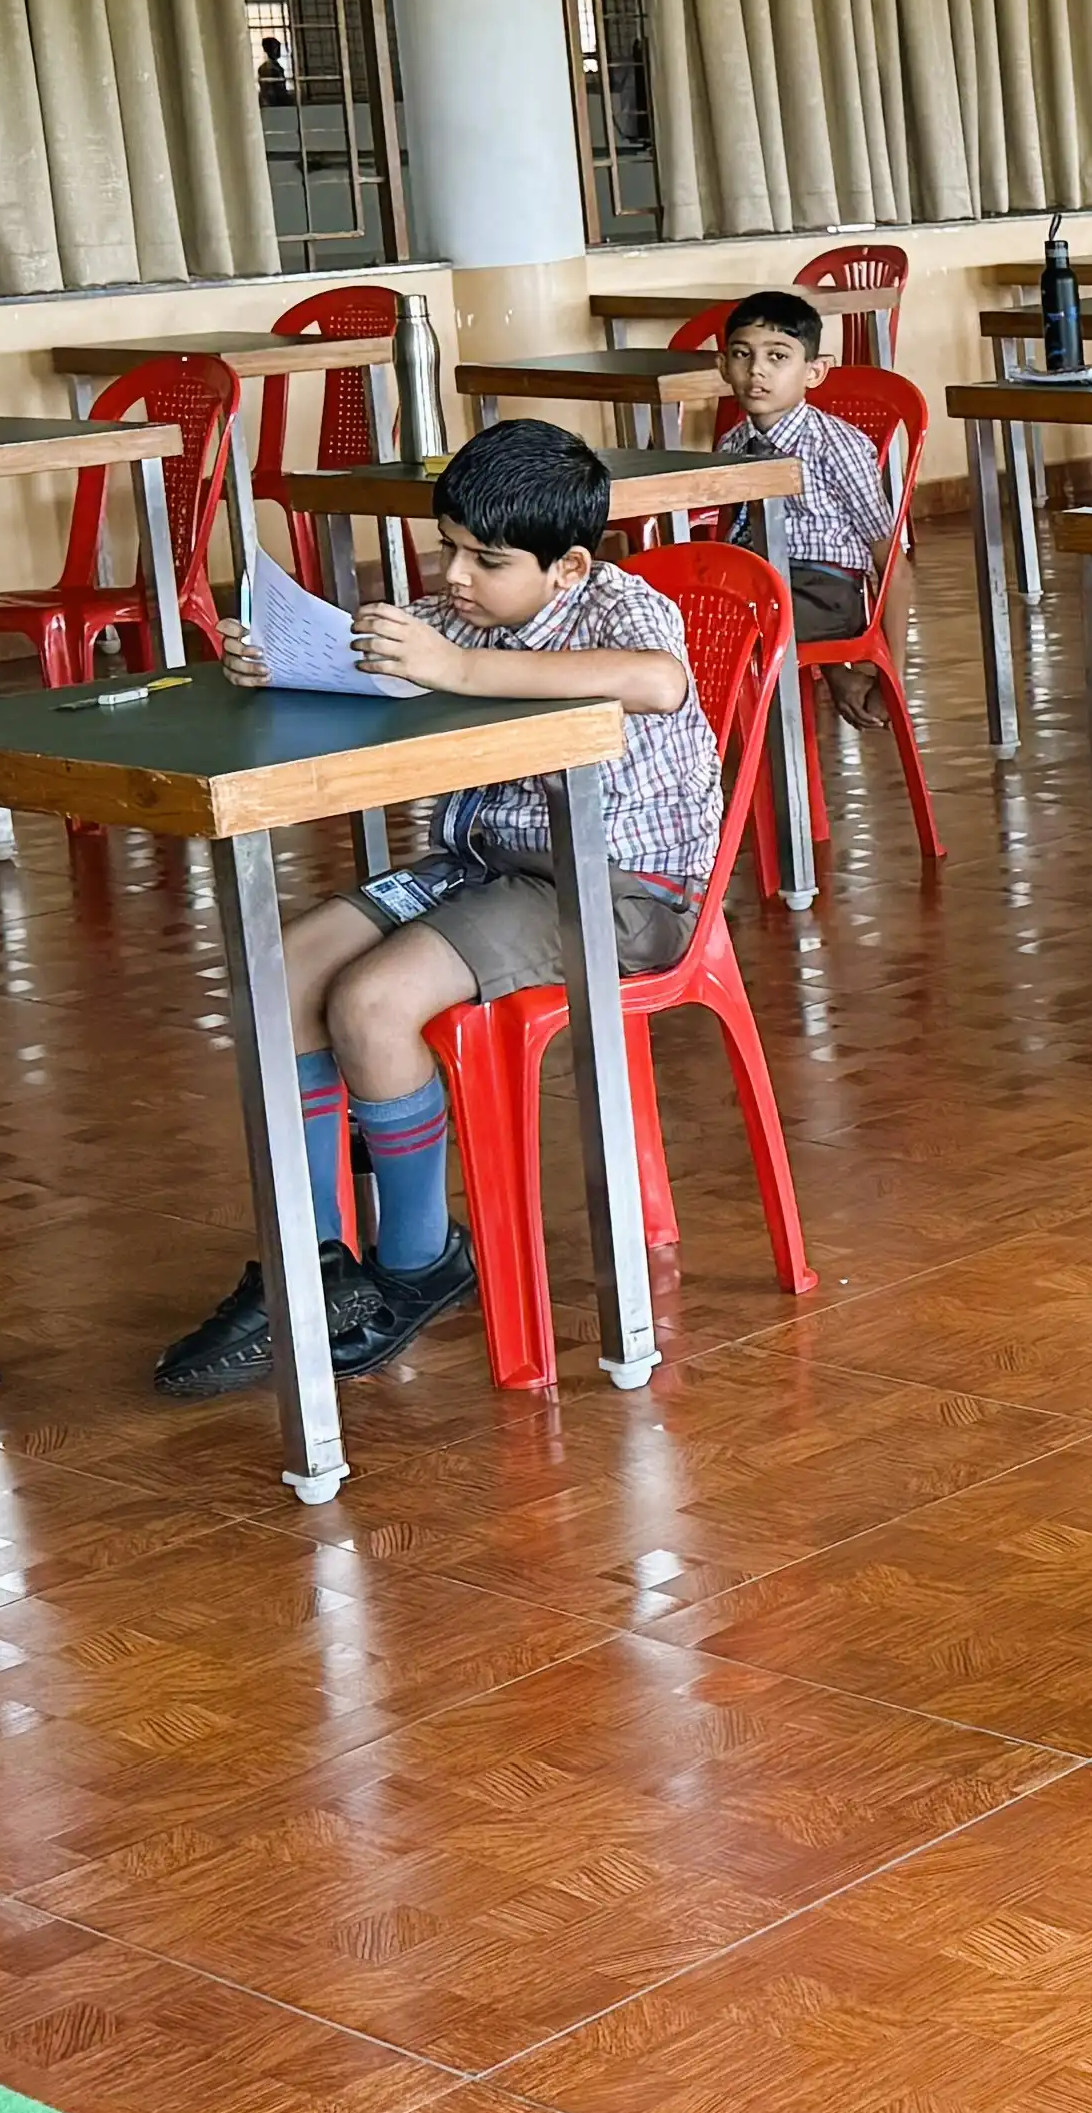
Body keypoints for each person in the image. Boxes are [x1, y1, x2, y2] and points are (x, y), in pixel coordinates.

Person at [161, 421, 718, 1395]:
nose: (456, 576)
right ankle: (320, 1263)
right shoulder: (467, 614)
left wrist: (454, 670)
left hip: (616, 891)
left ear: (568, 566)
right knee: (278, 970)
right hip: (484, 864)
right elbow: (378, 663)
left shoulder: (626, 607)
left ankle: (418, 1262)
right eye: (448, 547)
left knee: (372, 1004)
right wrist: (287, 659)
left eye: (485, 559)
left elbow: (655, 682)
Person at [705, 290, 894, 728]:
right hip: (763, 587)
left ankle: (752, 767)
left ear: (814, 371)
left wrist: (887, 676)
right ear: (722, 366)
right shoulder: (732, 445)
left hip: (828, 592)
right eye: (741, 354)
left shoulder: (834, 446)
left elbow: (893, 564)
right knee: (683, 617)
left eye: (777, 356)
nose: (757, 370)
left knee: (725, 634)